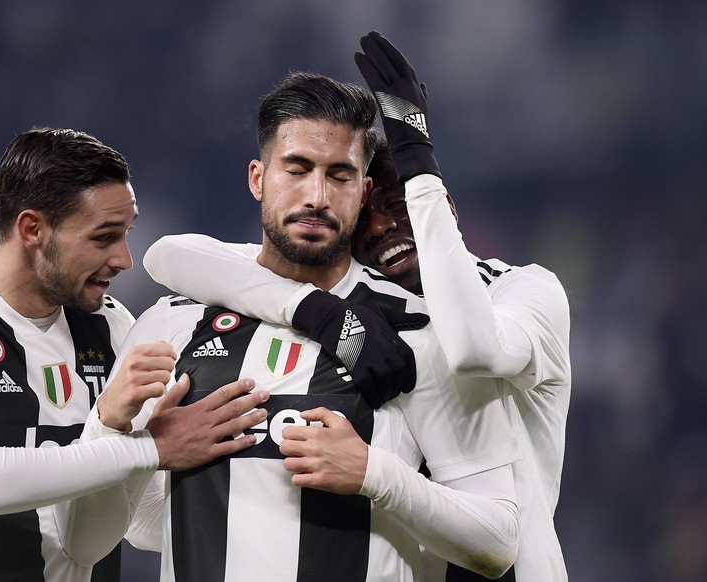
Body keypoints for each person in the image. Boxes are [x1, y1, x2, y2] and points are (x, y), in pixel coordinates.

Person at [141, 31, 572, 581]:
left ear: (442, 205)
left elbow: (473, 348)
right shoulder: (352, 307)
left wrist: (418, 159)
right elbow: (170, 254)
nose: (386, 229)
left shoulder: (523, 291)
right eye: (368, 217)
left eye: (401, 205)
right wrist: (315, 309)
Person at [62, 72, 522, 580]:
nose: (317, 196)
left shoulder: (415, 329)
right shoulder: (172, 325)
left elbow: (497, 541)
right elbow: (88, 545)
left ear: (363, 189)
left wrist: (377, 475)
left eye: (339, 176)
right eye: (297, 170)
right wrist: (113, 429)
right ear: (258, 178)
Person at [0, 127, 269, 582]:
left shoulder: (111, 326)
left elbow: (121, 530)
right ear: (33, 229)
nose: (125, 259)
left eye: (127, 233)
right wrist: (148, 449)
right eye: (104, 238)